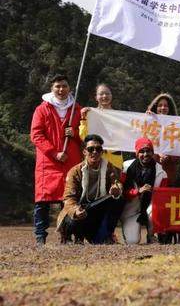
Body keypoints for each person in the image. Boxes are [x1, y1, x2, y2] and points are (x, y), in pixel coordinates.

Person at [30, 74, 83, 244]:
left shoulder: (77, 109)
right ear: (52, 88)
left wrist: (74, 133)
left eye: (64, 86)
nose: (61, 90)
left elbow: (86, 135)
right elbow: (36, 135)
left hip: (70, 161)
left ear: (70, 88)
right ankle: (40, 237)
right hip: (48, 162)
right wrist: (54, 152)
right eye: (57, 86)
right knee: (42, 201)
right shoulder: (42, 109)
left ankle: (66, 236)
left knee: (68, 200)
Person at [56, 134, 124, 244]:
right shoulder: (75, 171)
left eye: (98, 149)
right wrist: (75, 210)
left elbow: (116, 183)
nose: (95, 152)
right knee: (71, 218)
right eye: (90, 149)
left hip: (96, 210)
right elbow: (68, 198)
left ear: (102, 152)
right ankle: (68, 237)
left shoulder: (109, 167)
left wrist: (116, 189)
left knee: (118, 200)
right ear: (84, 152)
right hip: (80, 209)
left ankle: (106, 235)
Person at [120, 137, 168, 244]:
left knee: (155, 209)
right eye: (142, 151)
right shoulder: (126, 167)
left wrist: (152, 193)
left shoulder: (162, 173)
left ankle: (151, 235)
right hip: (131, 209)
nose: (145, 154)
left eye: (148, 151)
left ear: (153, 152)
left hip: (151, 208)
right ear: (136, 153)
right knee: (132, 241)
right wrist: (137, 192)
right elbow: (122, 192)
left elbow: (163, 199)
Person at [79, 83, 123, 169]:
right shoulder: (89, 114)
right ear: (96, 97)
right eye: (101, 94)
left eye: (107, 93)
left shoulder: (120, 117)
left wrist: (150, 117)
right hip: (94, 159)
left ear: (111, 95)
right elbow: (84, 136)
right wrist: (83, 118)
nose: (104, 96)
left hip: (115, 160)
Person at [146, 92, 180, 186]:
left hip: (169, 168)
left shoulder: (177, 125)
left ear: (170, 108)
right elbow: (144, 144)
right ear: (155, 107)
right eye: (160, 105)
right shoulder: (149, 122)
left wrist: (169, 156)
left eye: (166, 105)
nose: (163, 108)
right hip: (152, 165)